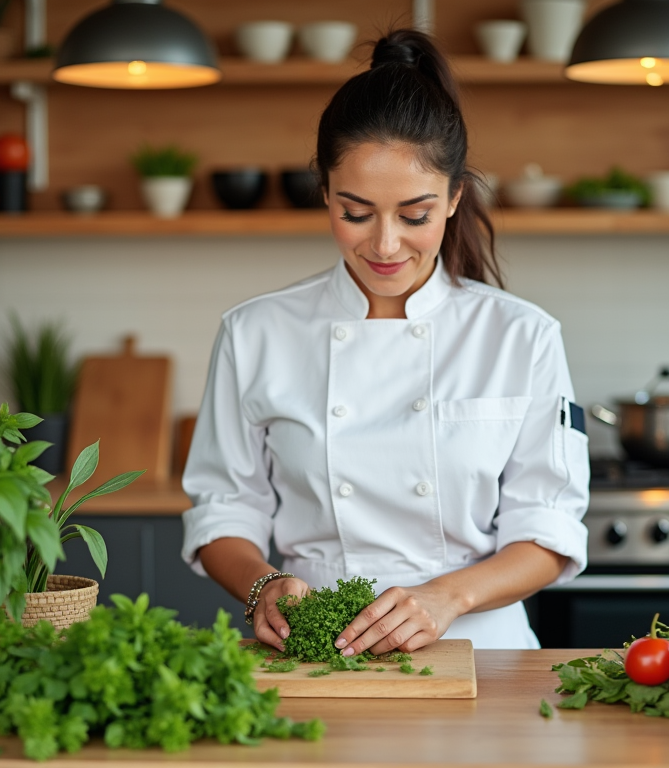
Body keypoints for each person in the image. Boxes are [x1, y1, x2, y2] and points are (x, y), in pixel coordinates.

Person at [181, 28, 589, 655]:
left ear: (455, 198)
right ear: (323, 192)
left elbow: (550, 530)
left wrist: (448, 596)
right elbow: (222, 512)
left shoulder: (522, 337)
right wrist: (263, 582)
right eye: (355, 212)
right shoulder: (255, 333)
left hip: (484, 654)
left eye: (415, 214)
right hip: (314, 653)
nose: (385, 244)